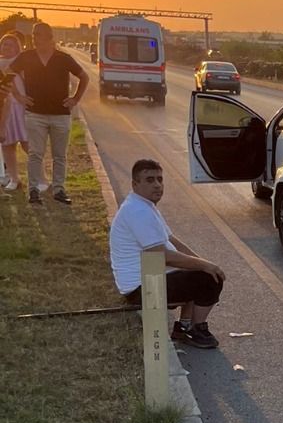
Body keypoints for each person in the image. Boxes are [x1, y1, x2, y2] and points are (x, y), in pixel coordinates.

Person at [109, 159, 226, 349]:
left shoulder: (144, 205)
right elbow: (163, 255)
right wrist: (205, 266)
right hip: (142, 289)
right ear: (135, 184)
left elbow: (172, 240)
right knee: (209, 279)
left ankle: (184, 326)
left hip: (150, 278)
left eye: (160, 179)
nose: (157, 185)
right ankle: (193, 329)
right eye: (149, 180)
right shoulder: (138, 211)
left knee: (200, 271)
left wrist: (201, 261)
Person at [12, 21, 89, 205]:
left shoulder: (63, 58)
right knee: (35, 154)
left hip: (60, 114)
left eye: (38, 34)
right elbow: (7, 73)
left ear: (48, 37)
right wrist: (18, 96)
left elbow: (84, 77)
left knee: (59, 155)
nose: (34, 37)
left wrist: (75, 99)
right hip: (35, 114)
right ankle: (33, 190)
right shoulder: (26, 57)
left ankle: (59, 189)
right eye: (33, 34)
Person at [0, 31, 29, 192]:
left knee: (27, 143)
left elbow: (29, 81)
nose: (7, 47)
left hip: (19, 106)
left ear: (17, 48)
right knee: (7, 145)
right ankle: (13, 177)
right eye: (5, 44)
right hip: (3, 106)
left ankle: (39, 177)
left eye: (11, 45)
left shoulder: (21, 62)